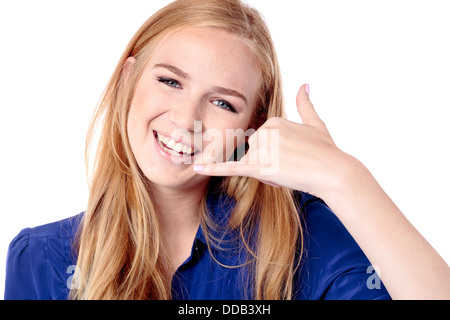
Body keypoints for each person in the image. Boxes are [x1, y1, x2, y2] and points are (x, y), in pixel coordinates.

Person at [4, 0, 450, 300]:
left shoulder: (306, 238)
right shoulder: (41, 258)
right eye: (170, 81)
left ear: (251, 126)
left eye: (222, 103)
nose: (185, 119)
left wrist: (344, 179)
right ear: (128, 79)